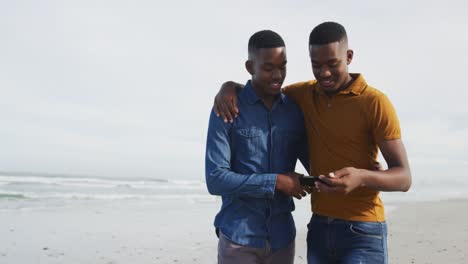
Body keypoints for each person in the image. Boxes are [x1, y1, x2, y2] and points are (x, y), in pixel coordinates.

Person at [213, 22, 412, 264]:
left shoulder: (374, 102)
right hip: (317, 229)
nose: (324, 73)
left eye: (332, 64)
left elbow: (404, 178)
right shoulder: (301, 96)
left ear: (348, 57)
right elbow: (261, 89)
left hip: (363, 228)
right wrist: (229, 87)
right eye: (316, 65)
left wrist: (363, 176)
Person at [205, 30, 311, 264]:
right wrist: (277, 182)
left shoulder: (293, 112)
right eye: (268, 68)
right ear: (250, 66)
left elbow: (316, 162)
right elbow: (215, 179)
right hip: (238, 239)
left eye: (282, 67)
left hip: (282, 239)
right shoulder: (227, 108)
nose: (277, 75)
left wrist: (361, 165)